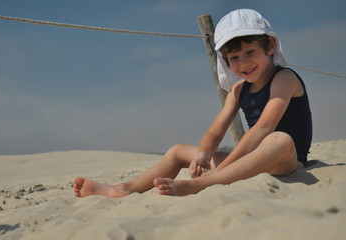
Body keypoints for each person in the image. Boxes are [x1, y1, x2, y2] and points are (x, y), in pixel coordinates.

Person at [73, 9, 312, 198]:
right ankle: (125, 188)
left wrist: (225, 166)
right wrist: (203, 154)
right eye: (234, 58)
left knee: (279, 139)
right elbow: (215, 130)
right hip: (248, 160)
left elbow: (264, 127)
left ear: (269, 46)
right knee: (178, 150)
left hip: (286, 160)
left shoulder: (284, 78)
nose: (243, 63)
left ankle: (199, 184)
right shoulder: (239, 89)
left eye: (250, 52)